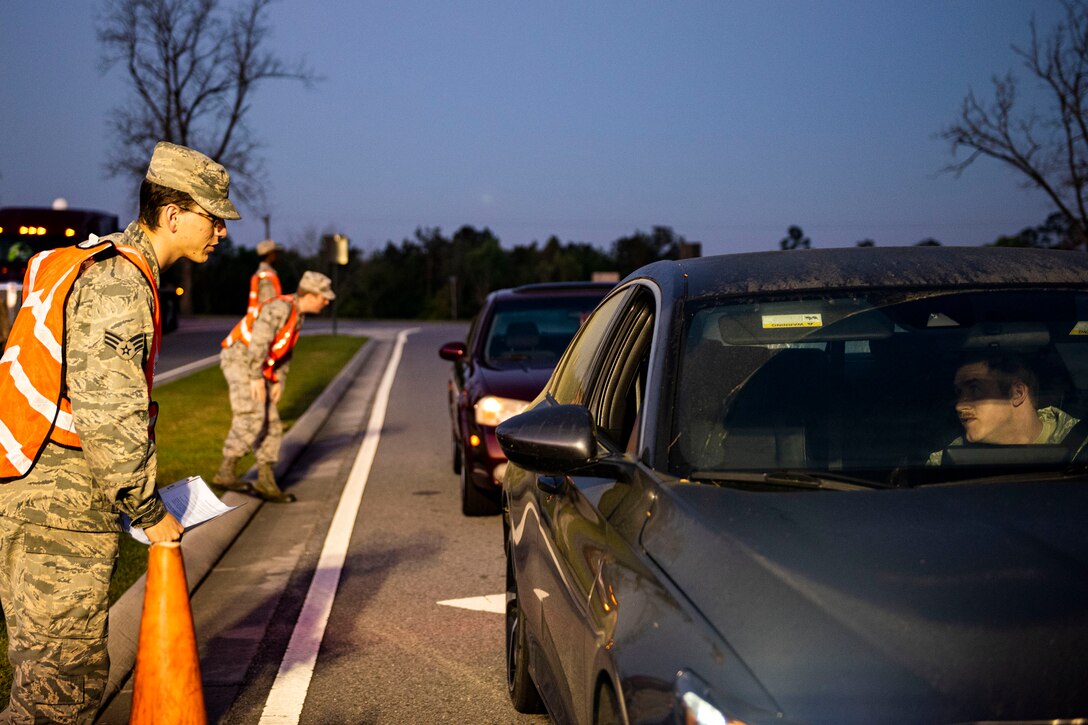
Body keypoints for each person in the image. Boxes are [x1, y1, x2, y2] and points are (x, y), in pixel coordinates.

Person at [0, 141, 238, 723]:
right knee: (58, 692)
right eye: (213, 217)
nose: (222, 232)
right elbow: (108, 414)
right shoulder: (121, 287)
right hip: (58, 512)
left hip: (36, 494)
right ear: (173, 213)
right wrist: (151, 513)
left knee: (44, 679)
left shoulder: (104, 261)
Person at [212, 270, 335, 502]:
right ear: (310, 295)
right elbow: (259, 341)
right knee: (252, 415)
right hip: (241, 359)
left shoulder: (297, 313)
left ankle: (265, 480)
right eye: (324, 297)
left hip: (255, 364)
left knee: (272, 422)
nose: (327, 302)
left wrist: (278, 379)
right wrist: (256, 376)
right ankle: (225, 473)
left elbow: (284, 351)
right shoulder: (280, 308)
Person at [928, 353, 1079, 465]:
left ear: (1017, 393)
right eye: (960, 393)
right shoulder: (945, 463)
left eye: (975, 389)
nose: (959, 406)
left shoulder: (1081, 447)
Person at [249, 238, 282, 316]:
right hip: (267, 318)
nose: (277, 255)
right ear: (270, 254)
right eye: (275, 253)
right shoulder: (266, 274)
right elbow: (268, 302)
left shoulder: (266, 272)